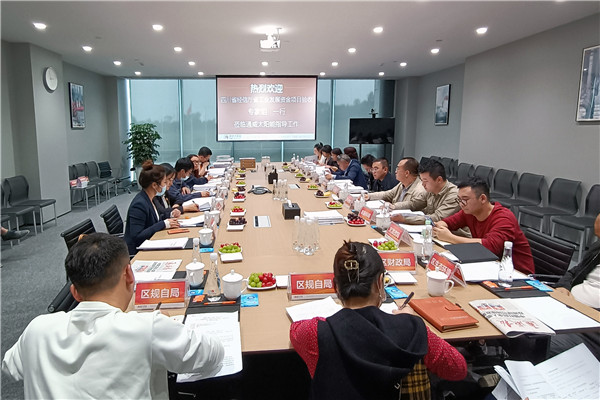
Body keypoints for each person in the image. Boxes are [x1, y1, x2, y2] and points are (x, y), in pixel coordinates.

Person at [2, 233, 224, 399]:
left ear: (74, 292)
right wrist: (166, 325)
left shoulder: (37, 329)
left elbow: (10, 367)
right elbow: (214, 355)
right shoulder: (146, 328)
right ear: (129, 274)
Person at [290, 241, 467, 399]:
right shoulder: (411, 329)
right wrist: (412, 320)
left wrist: (331, 320)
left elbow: (295, 330)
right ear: (380, 282)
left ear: (335, 286)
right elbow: (458, 368)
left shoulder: (315, 332)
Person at [433, 177, 535, 274]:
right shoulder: (469, 212)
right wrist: (440, 226)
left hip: (516, 274)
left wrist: (450, 237)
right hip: (489, 266)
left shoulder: (504, 218)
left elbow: (489, 247)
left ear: (482, 199)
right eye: (459, 200)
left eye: (465, 199)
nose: (461, 204)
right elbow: (449, 222)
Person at [550, 213, 600, 359]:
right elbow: (574, 272)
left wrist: (581, 311)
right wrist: (563, 287)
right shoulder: (598, 249)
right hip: (568, 308)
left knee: (536, 341)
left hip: (589, 328)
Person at [124, 161, 179, 254]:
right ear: (154, 185)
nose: (166, 185)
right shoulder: (139, 204)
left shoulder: (151, 198)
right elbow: (137, 236)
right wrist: (163, 224)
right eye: (164, 182)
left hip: (151, 242)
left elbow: (155, 218)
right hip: (139, 251)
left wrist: (170, 215)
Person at [393, 159, 460, 225]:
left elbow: (437, 217)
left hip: (450, 231)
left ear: (439, 180)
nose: (422, 184)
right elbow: (414, 203)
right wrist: (393, 207)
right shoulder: (430, 190)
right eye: (421, 180)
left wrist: (405, 219)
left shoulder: (454, 195)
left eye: (425, 181)